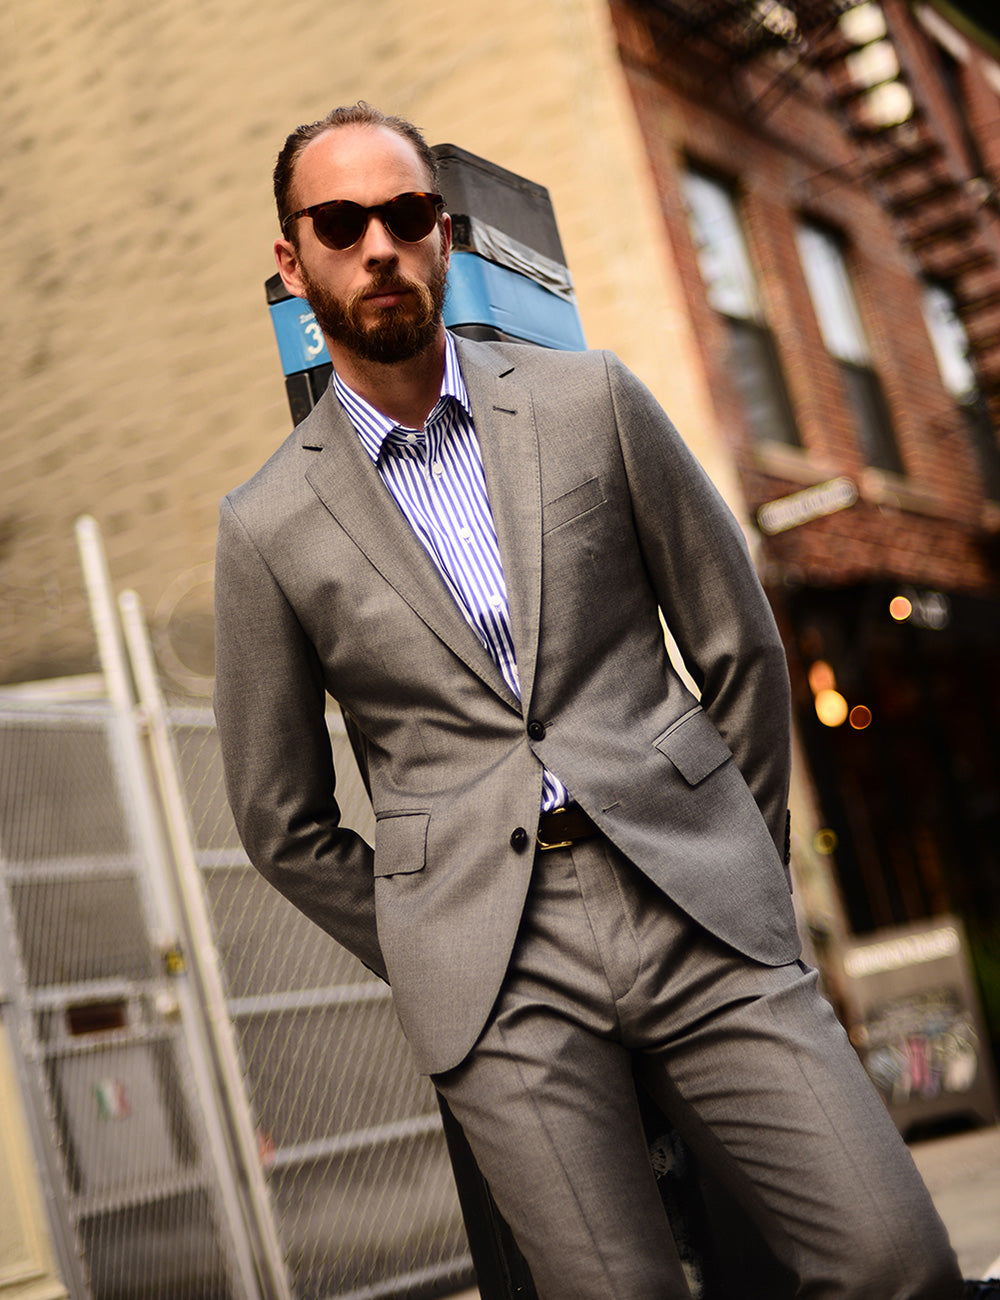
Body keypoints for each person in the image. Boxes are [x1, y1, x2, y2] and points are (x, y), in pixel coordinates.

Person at [214, 102, 963, 1299]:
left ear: (443, 234)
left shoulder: (589, 401)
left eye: (404, 216)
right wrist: (432, 936)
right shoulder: (265, 528)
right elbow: (280, 819)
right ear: (291, 257)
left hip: (693, 900)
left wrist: (736, 851)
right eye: (340, 222)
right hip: (496, 971)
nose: (378, 247)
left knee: (895, 1257)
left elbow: (737, 645)